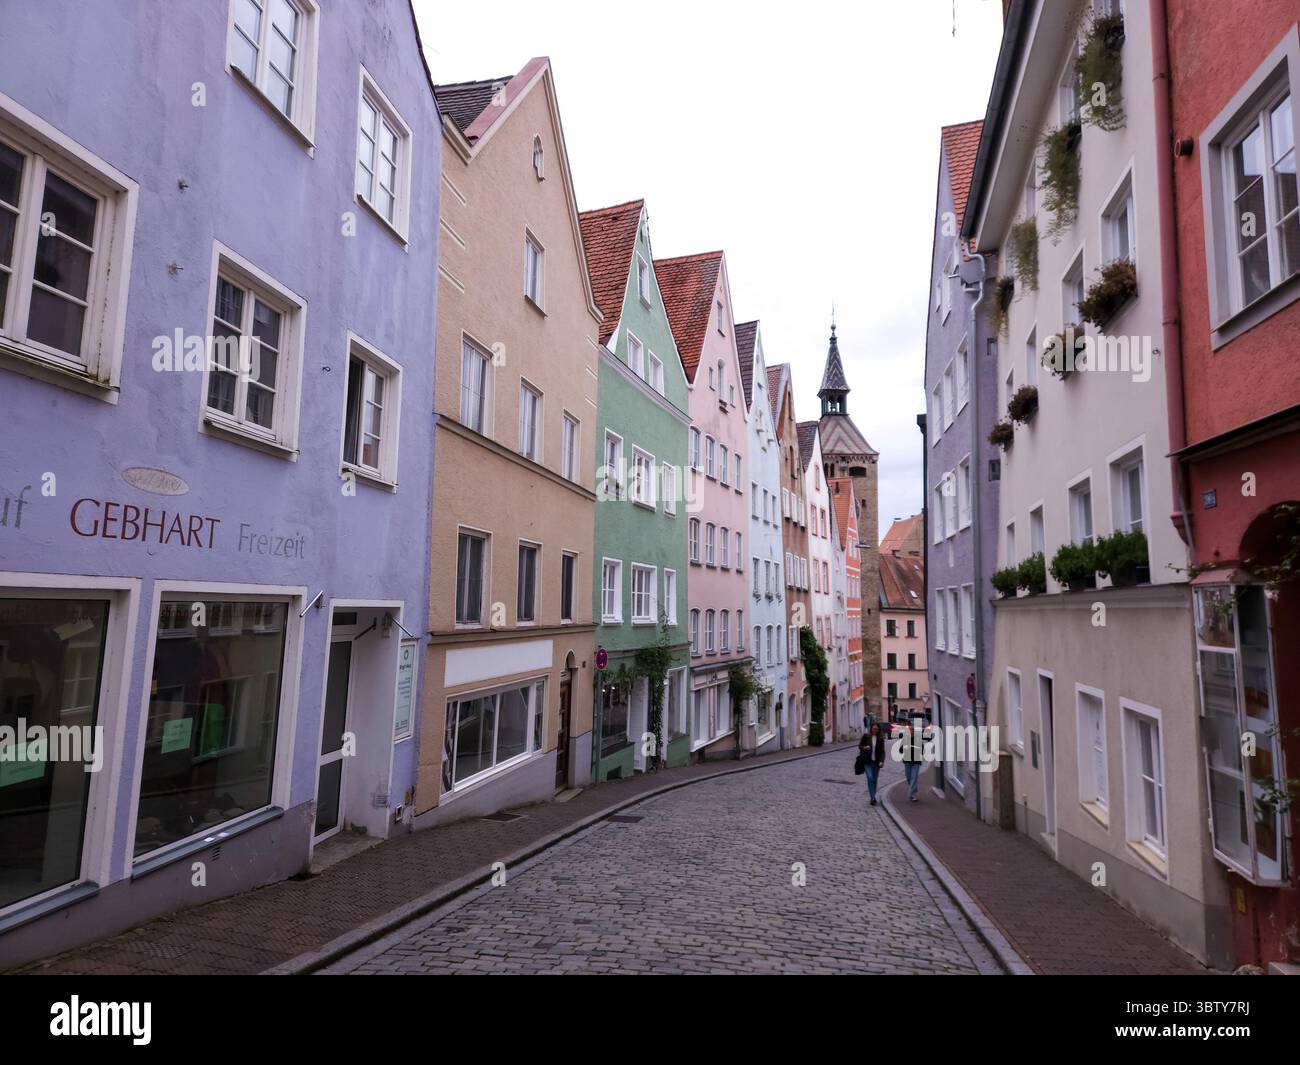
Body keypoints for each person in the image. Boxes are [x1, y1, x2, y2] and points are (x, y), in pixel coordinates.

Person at [858, 721, 887, 806]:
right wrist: (865, 747)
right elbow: (860, 746)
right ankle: (872, 797)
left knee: (874, 779)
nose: (875, 730)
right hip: (867, 762)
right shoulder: (866, 736)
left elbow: (882, 752)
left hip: (876, 762)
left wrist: (882, 761)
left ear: (878, 730)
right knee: (870, 778)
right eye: (874, 728)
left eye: (877, 729)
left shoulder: (880, 739)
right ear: (871, 728)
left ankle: (873, 796)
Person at [900, 713, 927, 802]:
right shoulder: (905, 739)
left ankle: (913, 794)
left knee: (914, 777)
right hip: (907, 760)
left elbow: (922, 750)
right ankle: (913, 789)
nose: (911, 732)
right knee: (908, 777)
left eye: (913, 730)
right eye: (910, 730)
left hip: (916, 761)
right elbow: (900, 750)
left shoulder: (918, 739)